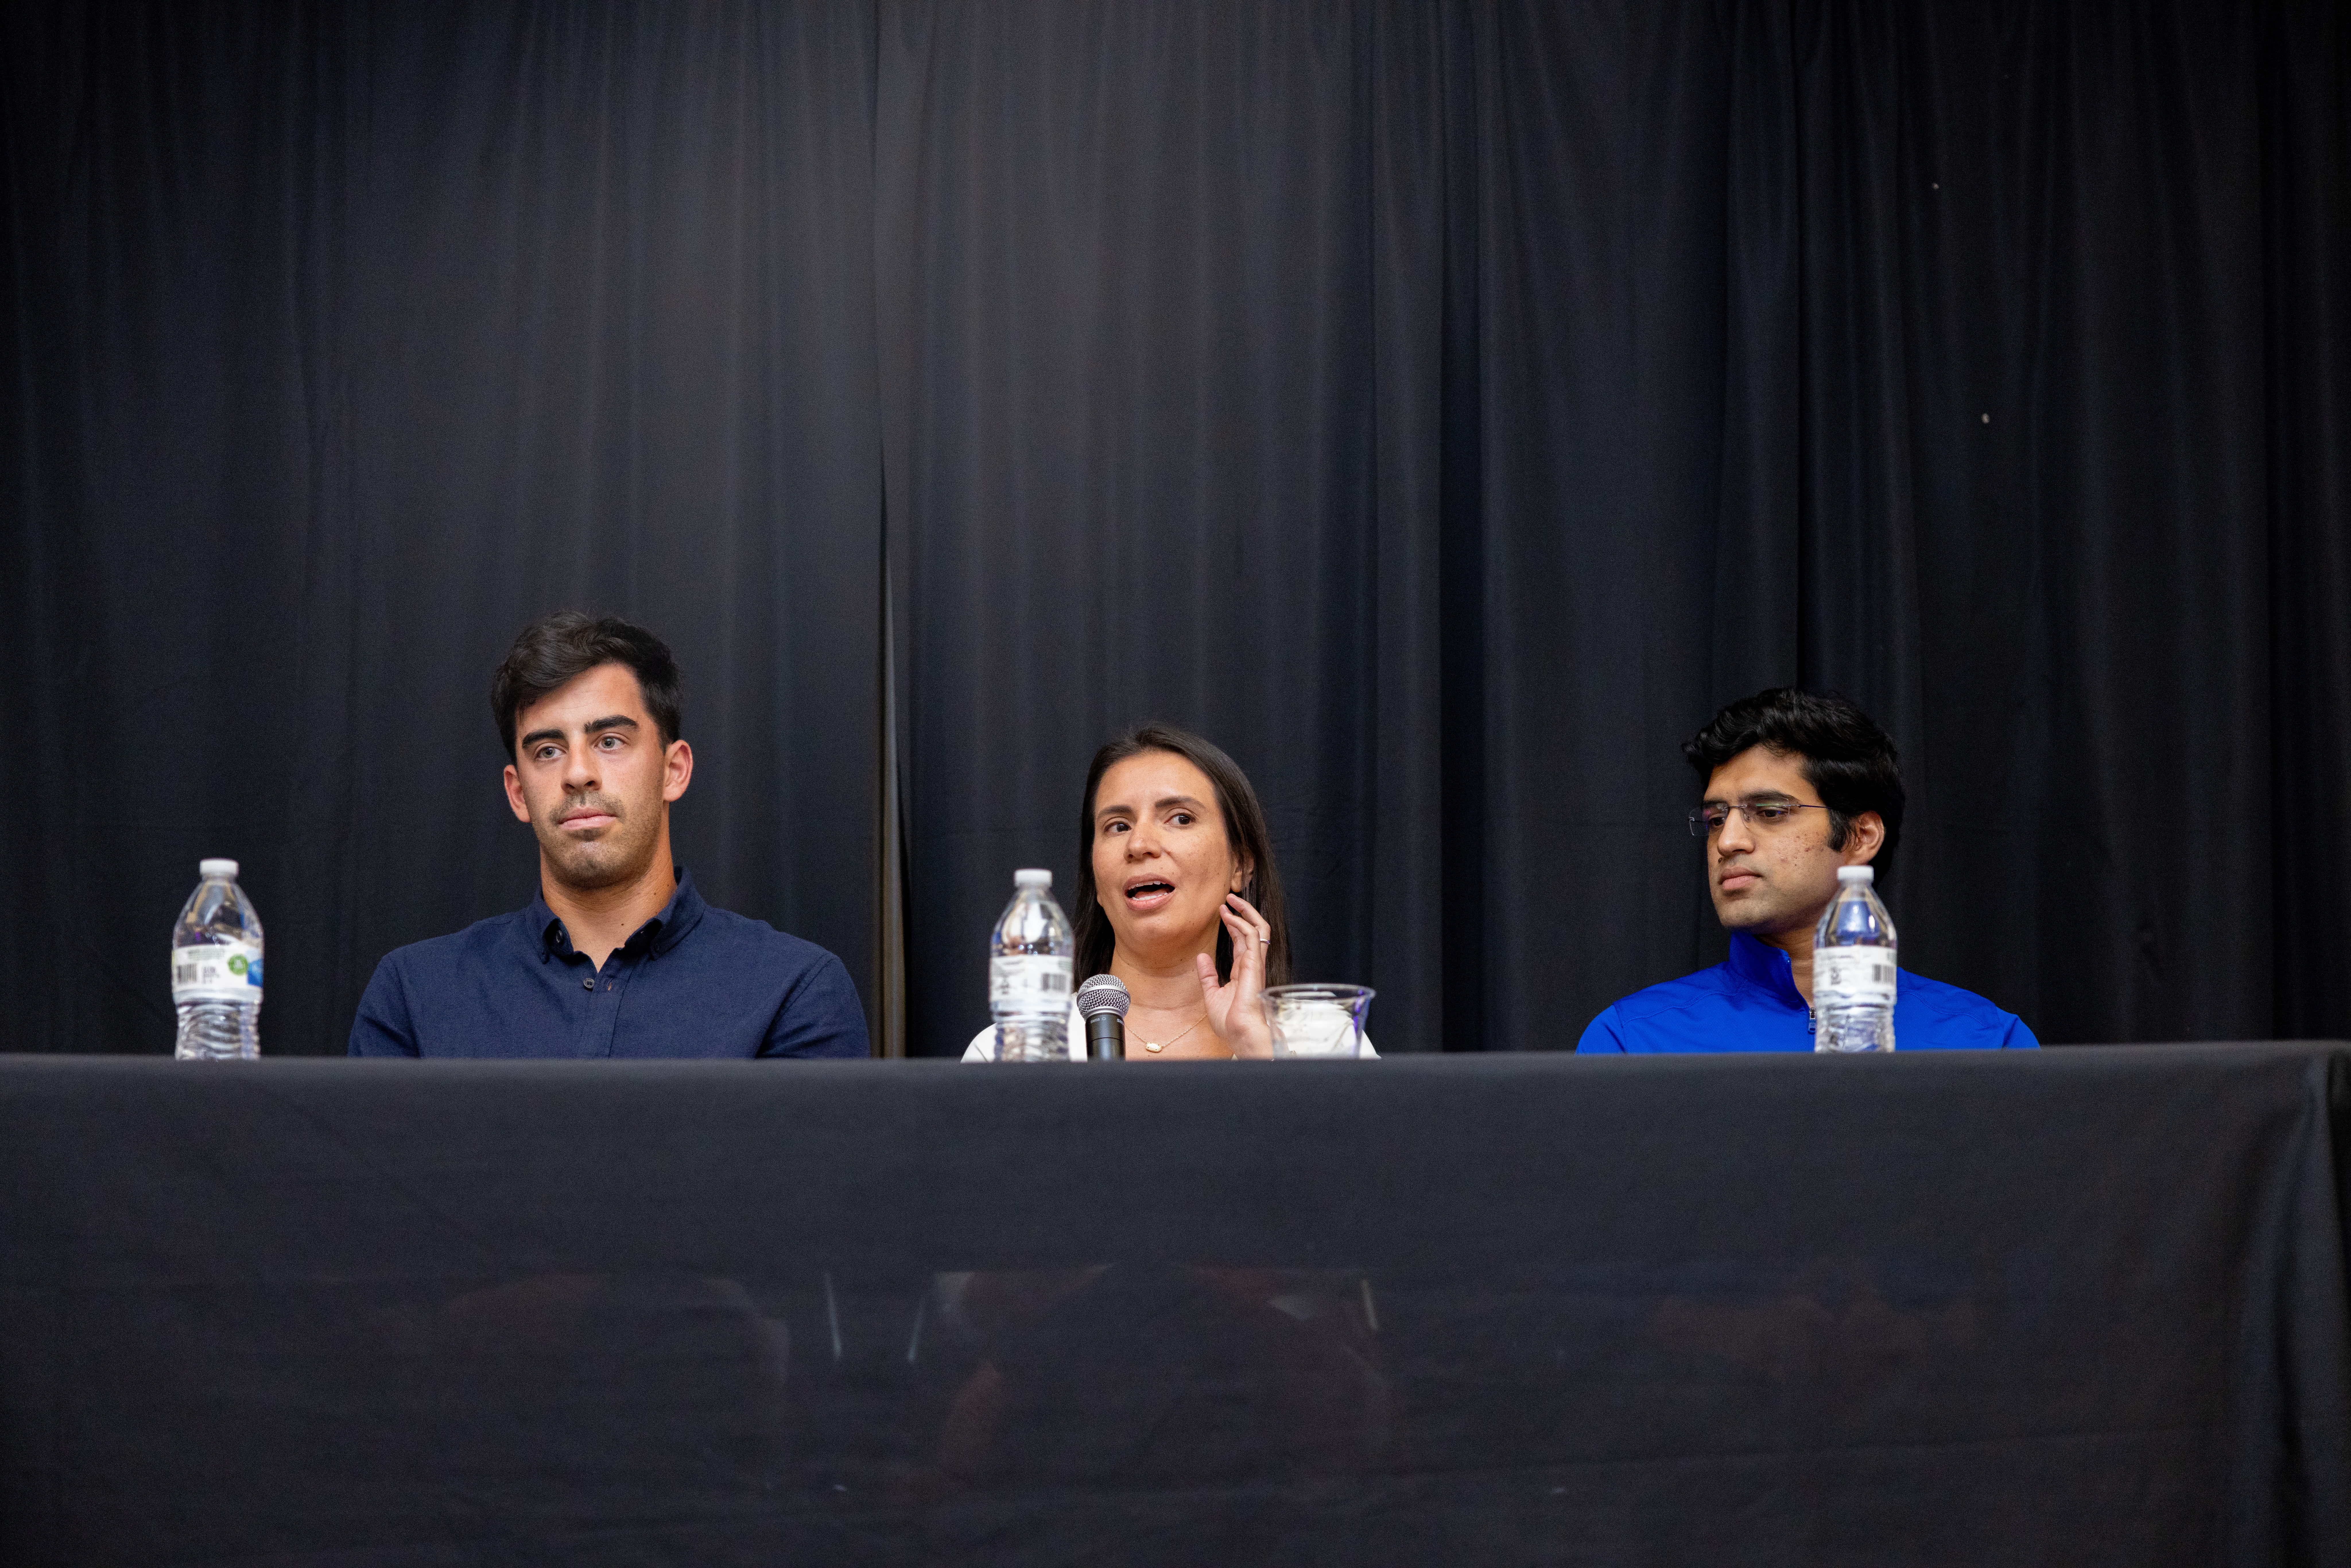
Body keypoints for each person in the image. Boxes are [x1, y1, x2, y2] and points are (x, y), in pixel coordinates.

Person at [350, 612, 868, 1059]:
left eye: (610, 741)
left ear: (674, 771)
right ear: (518, 793)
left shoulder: (794, 990)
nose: (578, 773)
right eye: (548, 751)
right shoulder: (414, 993)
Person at [1578, 688, 2036, 1053]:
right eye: (1716, 819)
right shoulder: (1634, 1041)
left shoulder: (1987, 1042)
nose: (1728, 841)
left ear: (1861, 837)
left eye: (1770, 812)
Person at [964, 723, 1373, 1060]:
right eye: (1118, 826)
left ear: (1240, 866)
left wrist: (1256, 1044)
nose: (1139, 844)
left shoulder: (1328, 1042)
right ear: (1097, 883)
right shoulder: (1012, 1053)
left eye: (1180, 818)